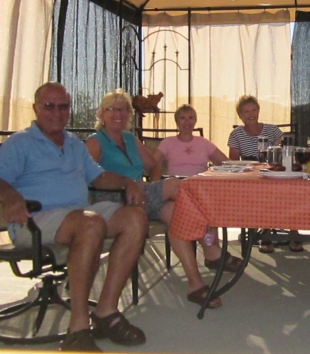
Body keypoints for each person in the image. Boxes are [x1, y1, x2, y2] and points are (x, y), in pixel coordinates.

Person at [0, 82, 148, 352]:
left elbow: (99, 177)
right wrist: (10, 197)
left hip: (77, 214)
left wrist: (127, 182)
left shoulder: (74, 145)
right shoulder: (19, 142)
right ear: (36, 109)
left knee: (135, 218)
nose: (56, 112)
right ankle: (77, 329)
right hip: (35, 220)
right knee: (90, 222)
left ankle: (106, 312)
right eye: (49, 106)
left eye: (63, 106)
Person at [85, 90, 241, 310]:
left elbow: (154, 165)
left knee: (175, 213)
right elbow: (91, 177)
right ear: (102, 113)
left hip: (140, 197)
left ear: (129, 113)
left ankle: (195, 284)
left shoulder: (131, 139)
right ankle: (211, 249)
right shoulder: (95, 142)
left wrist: (150, 188)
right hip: (112, 200)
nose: (118, 113)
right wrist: (133, 186)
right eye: (111, 109)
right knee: (176, 185)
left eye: (123, 109)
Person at [227, 95, 303, 253]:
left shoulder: (272, 130)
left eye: (254, 109)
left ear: (259, 111)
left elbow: (287, 151)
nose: (251, 114)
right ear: (240, 115)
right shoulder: (236, 134)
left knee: (291, 188)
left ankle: (294, 230)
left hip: (274, 170)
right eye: (246, 111)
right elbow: (233, 161)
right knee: (264, 192)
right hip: (251, 174)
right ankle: (266, 231)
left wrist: (276, 151)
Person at [150, 104, 228, 181]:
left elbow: (226, 163)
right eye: (182, 118)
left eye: (191, 118)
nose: (187, 122)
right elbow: (152, 164)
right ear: (177, 121)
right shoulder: (167, 142)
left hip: (199, 186)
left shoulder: (204, 143)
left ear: (195, 121)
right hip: (175, 187)